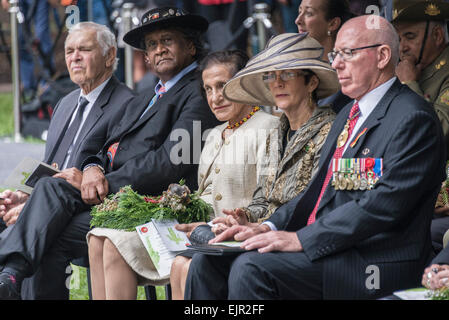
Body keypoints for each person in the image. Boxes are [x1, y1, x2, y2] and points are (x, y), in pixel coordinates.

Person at [184, 15, 447, 300]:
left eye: (348, 53)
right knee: (207, 262)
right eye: (335, 54)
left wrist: (301, 238)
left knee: (252, 267)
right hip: (333, 247)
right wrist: (266, 226)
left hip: (375, 260)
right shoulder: (350, 114)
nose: (335, 64)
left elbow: (382, 206)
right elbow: (319, 190)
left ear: (383, 56)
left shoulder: (412, 117)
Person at [0, 6, 219, 300]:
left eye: (167, 40)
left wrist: (105, 184)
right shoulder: (148, 95)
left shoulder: (198, 93)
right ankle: (10, 273)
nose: (159, 50)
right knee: (52, 189)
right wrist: (92, 170)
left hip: (151, 204)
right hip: (112, 199)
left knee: (49, 233)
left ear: (190, 46)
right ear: (145, 57)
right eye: (152, 45)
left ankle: (9, 273)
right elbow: (100, 149)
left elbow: (170, 163)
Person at [87, 50, 279, 300]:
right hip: (197, 229)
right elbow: (205, 193)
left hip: (231, 233)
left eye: (222, 86)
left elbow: (270, 197)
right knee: (101, 238)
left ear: (244, 82)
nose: (215, 97)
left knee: (181, 265)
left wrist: (240, 219)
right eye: (208, 89)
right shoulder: (214, 134)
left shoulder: (269, 127)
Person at [171, 32, 340, 300]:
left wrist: (262, 225)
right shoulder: (279, 132)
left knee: (243, 267)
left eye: (287, 74)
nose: (278, 83)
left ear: (312, 83)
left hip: (300, 241)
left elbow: (315, 203)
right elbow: (264, 197)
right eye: (271, 76)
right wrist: (244, 217)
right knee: (203, 263)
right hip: (264, 233)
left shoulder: (330, 131)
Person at [0, 22, 134, 232]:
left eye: (85, 49)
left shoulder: (127, 104)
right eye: (69, 51)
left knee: (16, 234)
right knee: (4, 209)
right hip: (47, 198)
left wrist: (32, 208)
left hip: (81, 204)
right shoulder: (66, 102)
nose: (75, 57)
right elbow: (52, 166)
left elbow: (112, 175)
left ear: (109, 56)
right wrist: (23, 195)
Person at [392, 0, 449, 257]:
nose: (402, 46)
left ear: (437, 35)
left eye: (410, 36)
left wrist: (409, 85)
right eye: (399, 37)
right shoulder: (409, 69)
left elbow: (438, 132)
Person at [294, 0, 354, 113]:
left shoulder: (345, 75)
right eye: (299, 11)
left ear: (333, 24)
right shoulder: (301, 66)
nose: (298, 20)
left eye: (309, 13)